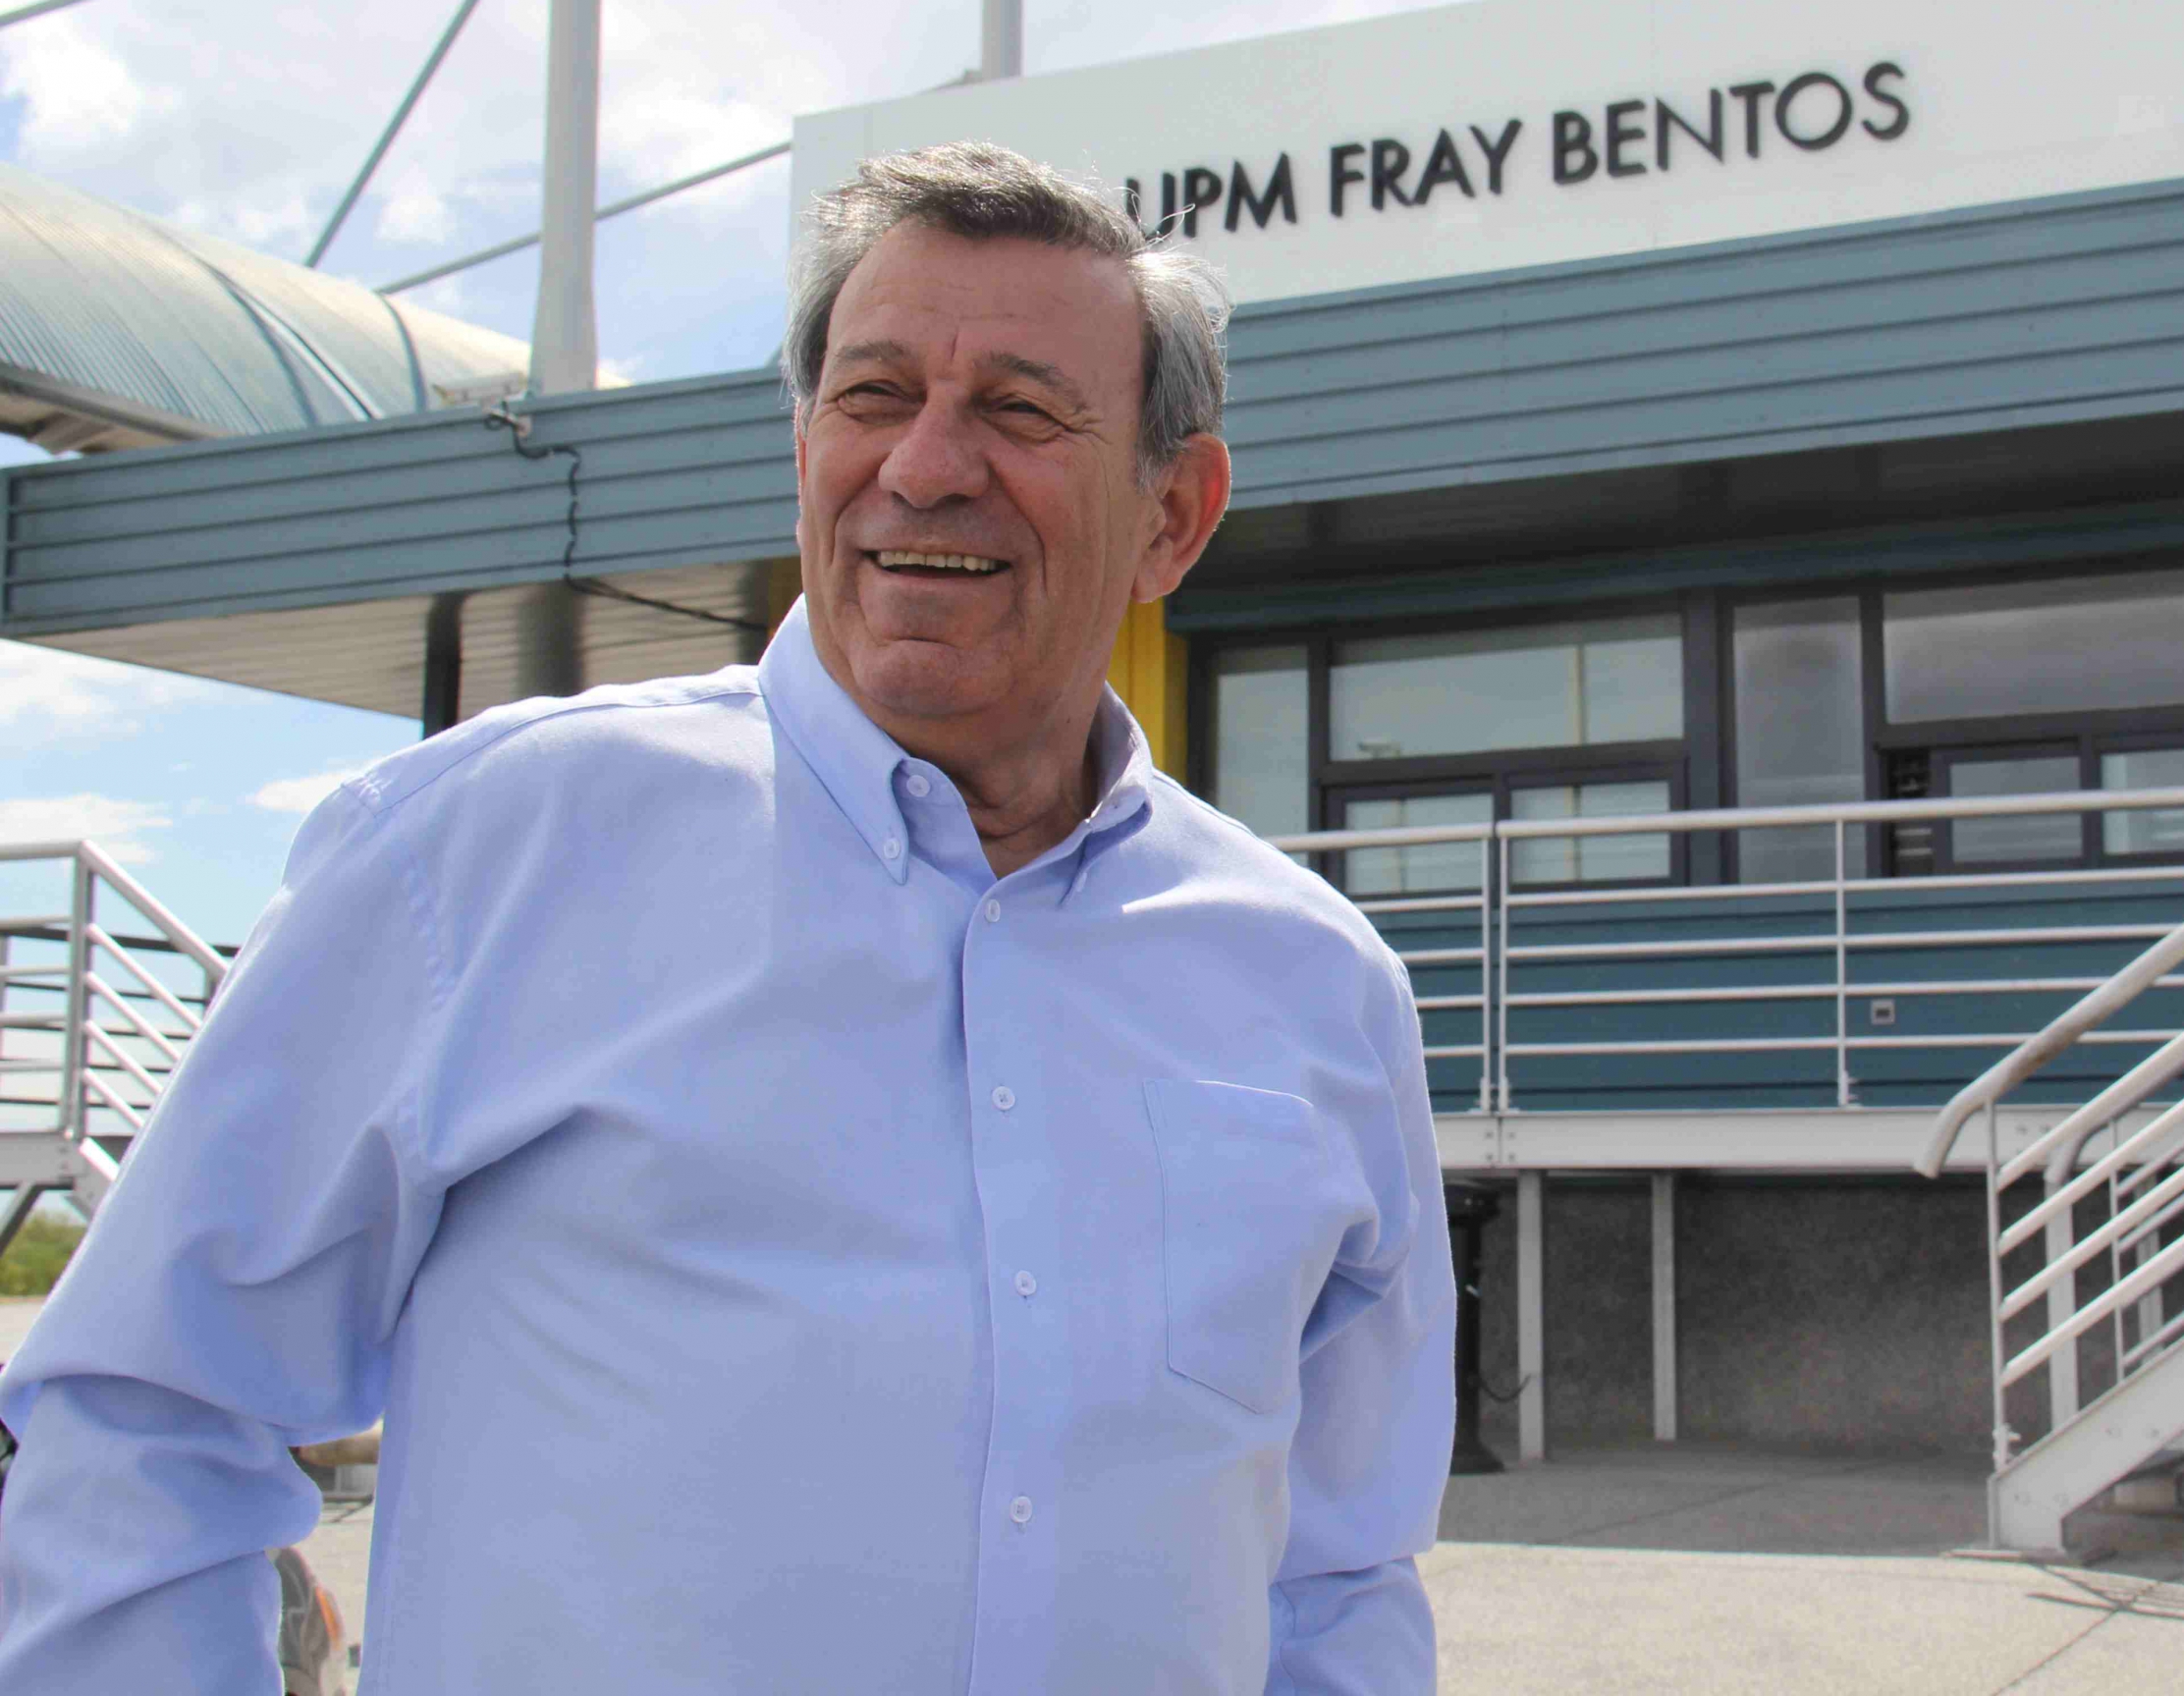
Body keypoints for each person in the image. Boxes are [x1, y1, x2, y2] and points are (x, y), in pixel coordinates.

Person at [0, 142, 1452, 1693]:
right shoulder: (483, 855)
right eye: (873, 395)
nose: (925, 465)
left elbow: (1335, 1575)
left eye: (1020, 409)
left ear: (1175, 514)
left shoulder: (1315, 988)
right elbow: (143, 1416)